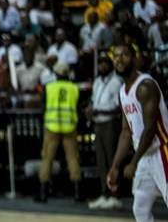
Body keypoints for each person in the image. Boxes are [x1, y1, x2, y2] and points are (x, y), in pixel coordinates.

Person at [107, 44, 168, 221]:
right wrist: (115, 166)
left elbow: (150, 130)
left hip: (162, 151)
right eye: (116, 56)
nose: (119, 59)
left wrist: (133, 162)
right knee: (140, 207)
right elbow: (126, 132)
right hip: (145, 155)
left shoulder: (145, 86)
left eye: (124, 55)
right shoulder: (122, 92)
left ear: (134, 59)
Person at [35, 61, 83, 203]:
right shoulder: (74, 88)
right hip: (70, 127)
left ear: (56, 74)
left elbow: (43, 106)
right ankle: (77, 193)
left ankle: (43, 193)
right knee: (73, 159)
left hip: (52, 127)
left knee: (47, 159)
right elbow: (78, 106)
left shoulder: (49, 88)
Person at [86, 54, 123, 210]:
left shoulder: (116, 82)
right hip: (98, 124)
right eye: (100, 63)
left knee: (112, 159)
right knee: (101, 161)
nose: (102, 66)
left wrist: (99, 112)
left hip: (110, 124)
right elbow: (94, 100)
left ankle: (115, 194)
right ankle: (105, 193)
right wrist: (90, 110)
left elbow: (119, 108)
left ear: (110, 66)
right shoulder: (97, 82)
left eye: (105, 63)